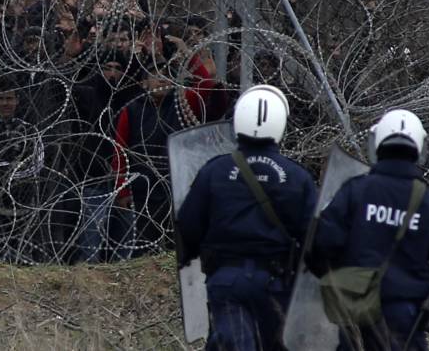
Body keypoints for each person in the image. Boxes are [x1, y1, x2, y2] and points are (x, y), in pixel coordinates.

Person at [177, 85, 317, 351]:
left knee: (232, 343)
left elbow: (188, 225)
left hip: (226, 280)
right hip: (276, 284)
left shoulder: (214, 171)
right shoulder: (297, 177)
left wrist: (193, 255)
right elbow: (313, 238)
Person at [310, 109, 429, 350]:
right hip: (406, 315)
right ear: (420, 146)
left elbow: (322, 244)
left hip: (355, 310)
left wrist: (334, 280)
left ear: (377, 143)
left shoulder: (355, 191)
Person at [113, 35, 228, 255]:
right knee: (145, 242)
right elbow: (120, 150)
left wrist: (189, 55)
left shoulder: (182, 102)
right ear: (143, 83)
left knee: (177, 242)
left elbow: (205, 87)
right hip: (143, 185)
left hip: (177, 183)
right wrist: (122, 188)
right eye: (155, 75)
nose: (162, 80)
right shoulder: (133, 110)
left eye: (166, 75)